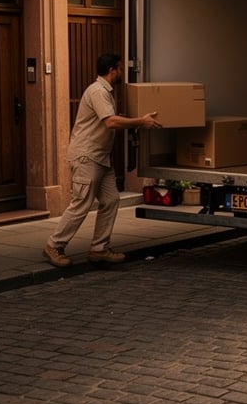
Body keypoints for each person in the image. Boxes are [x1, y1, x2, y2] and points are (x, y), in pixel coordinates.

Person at [44, 53, 162, 268]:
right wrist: (140, 121)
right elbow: (110, 122)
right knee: (81, 203)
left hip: (101, 158)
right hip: (87, 157)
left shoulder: (105, 92)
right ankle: (54, 245)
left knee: (111, 200)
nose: (120, 73)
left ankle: (99, 249)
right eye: (119, 69)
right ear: (112, 70)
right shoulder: (98, 91)